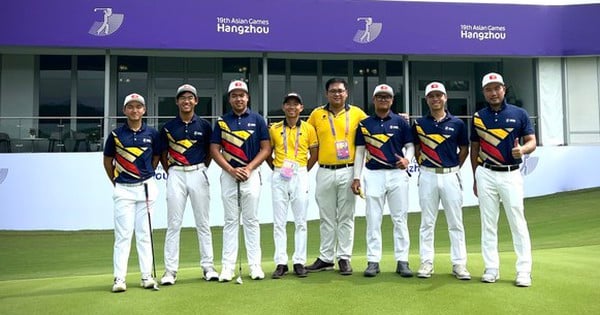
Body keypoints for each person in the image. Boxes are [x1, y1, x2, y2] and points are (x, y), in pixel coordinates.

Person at [470, 72, 536, 287]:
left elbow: (532, 141)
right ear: (484, 92)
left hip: (511, 173)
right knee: (488, 224)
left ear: (504, 89)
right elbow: (475, 149)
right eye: (489, 89)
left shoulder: (520, 114)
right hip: (486, 172)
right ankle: (491, 268)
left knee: (517, 222)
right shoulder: (478, 117)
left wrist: (523, 150)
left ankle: (524, 270)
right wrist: (475, 178)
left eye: (497, 88)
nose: (493, 92)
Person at [351, 84, 415, 278]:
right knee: (373, 219)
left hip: (397, 174)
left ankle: (402, 261)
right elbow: (360, 152)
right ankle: (373, 261)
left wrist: (407, 159)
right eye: (379, 97)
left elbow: (410, 145)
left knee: (400, 218)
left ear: (392, 100)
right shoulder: (365, 124)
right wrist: (356, 177)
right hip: (373, 174)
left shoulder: (401, 122)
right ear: (374, 100)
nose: (383, 100)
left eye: (387, 97)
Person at [210, 80, 271, 282]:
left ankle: (255, 266)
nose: (239, 98)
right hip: (228, 175)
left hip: (251, 175)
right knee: (230, 221)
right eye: (234, 95)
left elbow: (265, 149)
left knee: (251, 220)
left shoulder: (258, 119)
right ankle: (227, 268)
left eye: (242, 95)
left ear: (247, 97)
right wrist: (230, 169)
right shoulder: (221, 121)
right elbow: (214, 149)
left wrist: (249, 168)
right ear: (230, 99)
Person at [306, 78, 367, 275]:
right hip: (324, 170)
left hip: (349, 170)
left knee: (346, 216)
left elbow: (372, 131)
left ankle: (344, 257)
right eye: (333, 91)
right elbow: (305, 136)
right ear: (327, 94)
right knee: (326, 216)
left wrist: (400, 119)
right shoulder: (317, 114)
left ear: (347, 93)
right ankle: (325, 258)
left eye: (340, 91)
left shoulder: (357, 113)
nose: (337, 94)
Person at [158, 84, 218, 285]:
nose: (186, 101)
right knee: (174, 224)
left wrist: (200, 168)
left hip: (198, 172)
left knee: (203, 223)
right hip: (175, 174)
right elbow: (163, 155)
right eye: (182, 98)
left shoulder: (204, 126)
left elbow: (210, 153)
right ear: (177, 101)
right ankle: (170, 271)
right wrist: (172, 171)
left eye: (190, 97)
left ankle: (208, 267)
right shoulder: (167, 127)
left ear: (196, 101)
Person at [102, 93, 161, 292]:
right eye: (131, 107)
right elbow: (107, 161)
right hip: (124, 190)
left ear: (144, 110)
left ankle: (147, 276)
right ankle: (119, 279)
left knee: (145, 234)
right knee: (123, 235)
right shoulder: (116, 135)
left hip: (146, 188)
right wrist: (117, 182)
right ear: (124, 110)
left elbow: (156, 158)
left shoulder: (152, 133)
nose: (134, 110)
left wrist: (145, 175)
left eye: (138, 107)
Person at [413, 82, 471, 280]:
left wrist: (454, 166)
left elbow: (464, 149)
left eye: (439, 95)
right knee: (427, 223)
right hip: (427, 174)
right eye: (431, 96)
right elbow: (416, 148)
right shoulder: (419, 124)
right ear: (427, 99)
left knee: (456, 222)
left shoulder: (458, 123)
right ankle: (426, 262)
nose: (435, 99)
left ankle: (459, 264)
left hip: (450, 175)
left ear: (445, 98)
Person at [267, 92, 318, 279]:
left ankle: (299, 261)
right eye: (288, 104)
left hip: (300, 173)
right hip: (279, 173)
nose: (292, 107)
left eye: (295, 104)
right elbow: (267, 151)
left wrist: (304, 169)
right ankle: (281, 262)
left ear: (301, 108)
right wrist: (274, 167)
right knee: (279, 222)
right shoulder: (274, 128)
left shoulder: (309, 128)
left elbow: (315, 152)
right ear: (283, 107)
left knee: (301, 221)